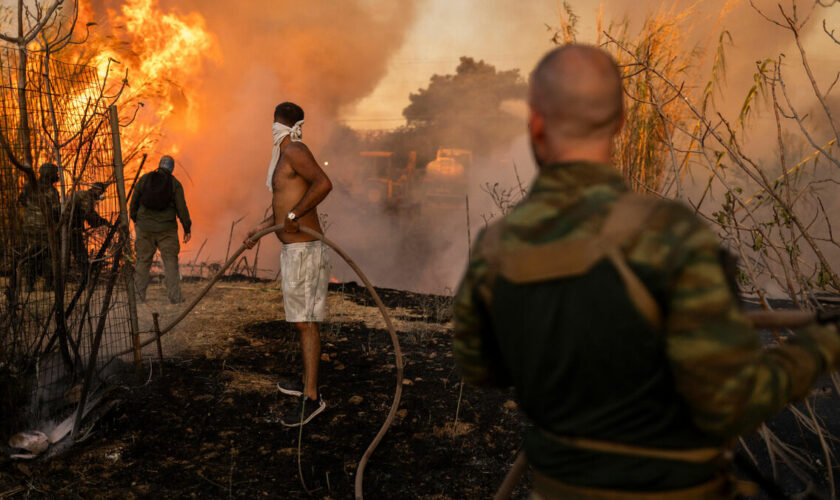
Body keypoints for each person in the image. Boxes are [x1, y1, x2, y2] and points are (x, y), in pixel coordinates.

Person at [453, 44, 840, 499]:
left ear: (536, 123)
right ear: (619, 123)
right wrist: (820, 346)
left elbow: (478, 368)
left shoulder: (496, 246)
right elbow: (730, 403)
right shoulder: (672, 235)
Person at [244, 101, 333, 427]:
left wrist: (294, 216)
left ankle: (312, 398)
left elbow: (324, 183)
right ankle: (305, 383)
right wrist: (262, 226)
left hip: (306, 251)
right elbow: (284, 205)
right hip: (295, 252)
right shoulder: (285, 155)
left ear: (276, 125)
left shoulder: (295, 150)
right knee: (301, 321)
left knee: (306, 322)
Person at [130, 155, 191, 304]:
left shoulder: (145, 179)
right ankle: (175, 298)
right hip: (167, 230)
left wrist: (136, 219)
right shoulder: (175, 184)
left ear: (159, 164)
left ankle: (138, 297)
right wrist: (187, 227)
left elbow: (134, 201)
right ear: (172, 168)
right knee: (170, 262)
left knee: (143, 261)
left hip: (144, 228)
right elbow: (181, 208)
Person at [19, 163, 61, 291]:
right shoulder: (51, 191)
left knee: (31, 255)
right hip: (44, 227)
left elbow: (21, 200)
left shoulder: (29, 186)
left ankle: (28, 285)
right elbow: (55, 211)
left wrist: (32, 210)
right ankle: (48, 285)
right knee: (48, 255)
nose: (57, 176)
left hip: (29, 226)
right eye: (55, 174)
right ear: (49, 175)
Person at [63, 182, 111, 284]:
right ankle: (86, 281)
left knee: (67, 253)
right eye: (101, 192)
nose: (101, 194)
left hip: (68, 227)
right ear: (97, 190)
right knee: (80, 254)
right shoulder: (86, 197)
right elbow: (90, 216)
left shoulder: (83, 195)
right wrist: (103, 222)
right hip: (69, 228)